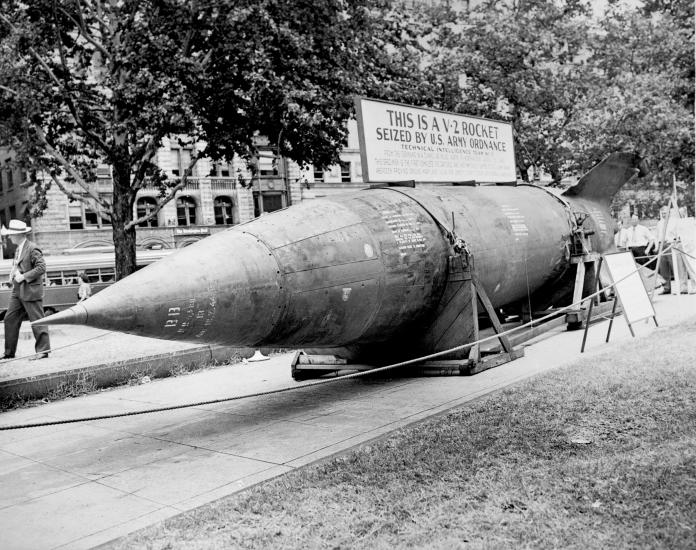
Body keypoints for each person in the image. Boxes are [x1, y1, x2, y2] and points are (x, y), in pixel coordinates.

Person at [1, 220, 51, 359]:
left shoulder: (32, 248)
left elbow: (41, 268)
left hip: (30, 290)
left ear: (19, 235)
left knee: (37, 320)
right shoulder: (19, 249)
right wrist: (13, 274)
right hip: (18, 291)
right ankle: (9, 352)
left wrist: (23, 277)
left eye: (11, 235)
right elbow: (19, 265)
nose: (9, 237)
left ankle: (43, 351)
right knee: (9, 318)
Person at [648, 205, 679, 294]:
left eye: (665, 213)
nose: (664, 215)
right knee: (663, 268)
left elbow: (677, 234)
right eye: (662, 213)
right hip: (662, 246)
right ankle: (666, 288)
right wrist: (657, 247)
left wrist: (674, 242)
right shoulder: (659, 223)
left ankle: (679, 288)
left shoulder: (674, 222)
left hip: (671, 245)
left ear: (669, 212)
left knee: (675, 267)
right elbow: (657, 236)